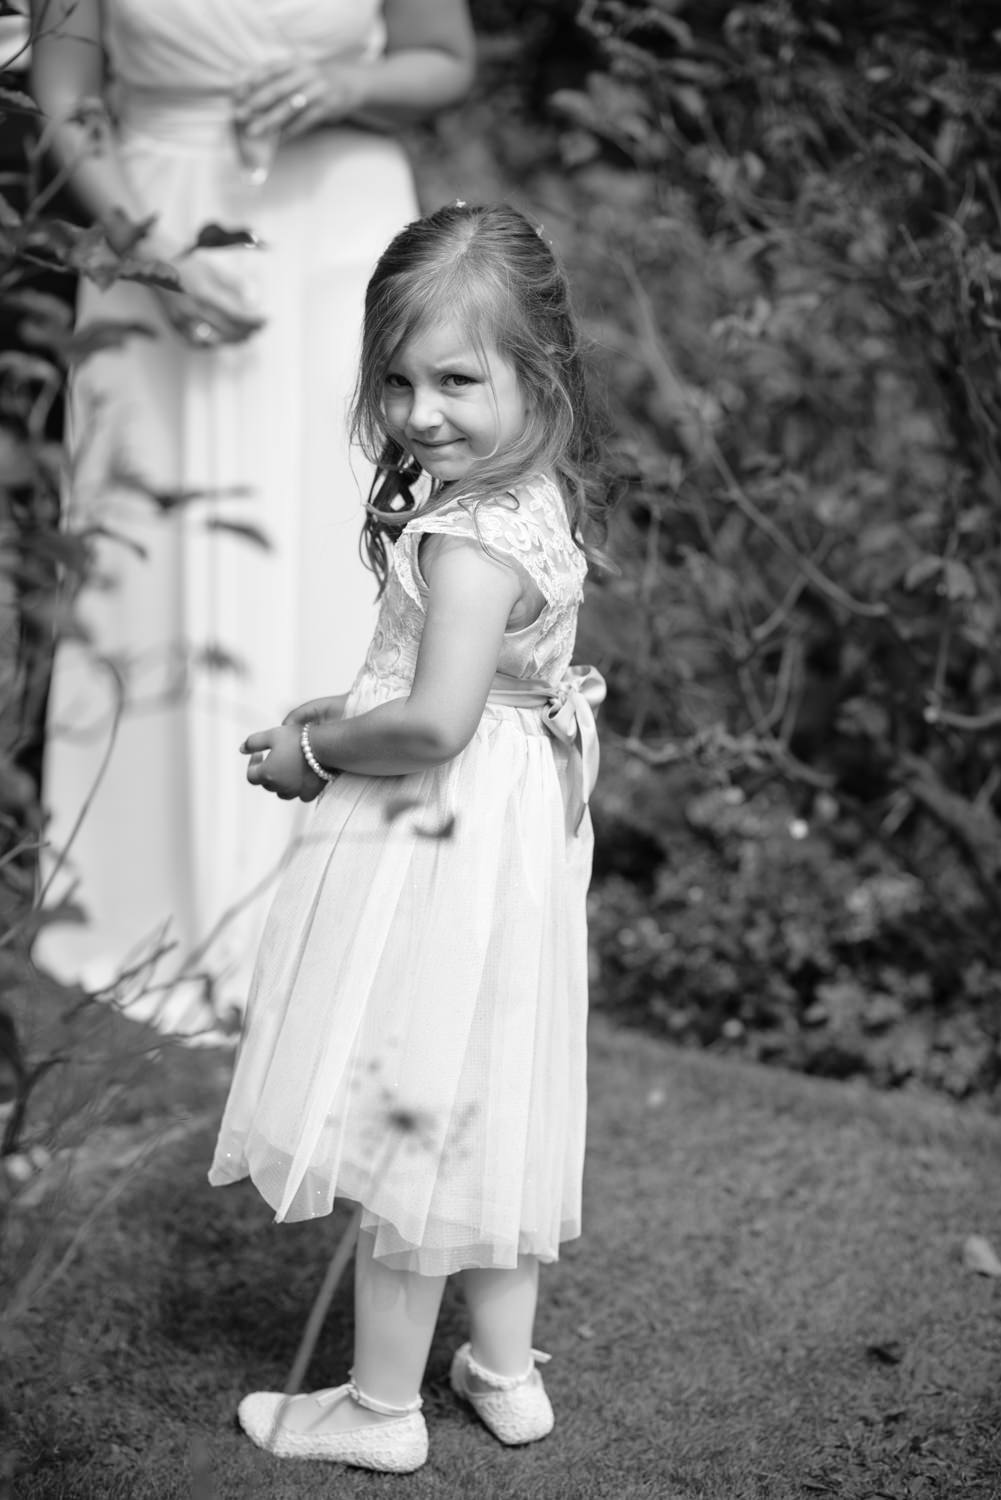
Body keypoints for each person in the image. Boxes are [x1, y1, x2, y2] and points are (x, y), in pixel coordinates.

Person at [208, 202, 611, 1473]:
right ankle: (501, 1373)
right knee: (486, 1099)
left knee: (407, 1103)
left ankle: (378, 1411)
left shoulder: (461, 533)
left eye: (455, 379)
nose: (419, 412)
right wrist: (347, 702)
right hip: (506, 834)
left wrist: (315, 753)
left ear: (534, 374)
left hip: (435, 844)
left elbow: (433, 722)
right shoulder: (530, 494)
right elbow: (473, 686)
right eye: (397, 379)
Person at [29, 0, 476, 1029]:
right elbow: (63, 96)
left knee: (339, 538)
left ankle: (350, 893)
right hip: (158, 214)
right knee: (159, 556)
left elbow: (441, 58)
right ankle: (151, 899)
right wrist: (150, 254)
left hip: (342, 232)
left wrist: (352, 86)